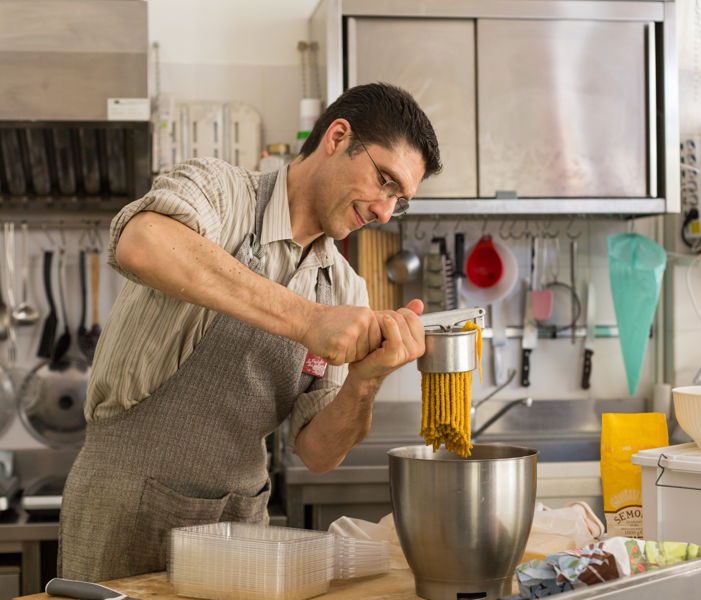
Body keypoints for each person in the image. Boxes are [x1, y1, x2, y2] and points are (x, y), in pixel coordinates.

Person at [58, 82, 442, 581]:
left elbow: (319, 453)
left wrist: (366, 380)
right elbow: (141, 242)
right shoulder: (221, 192)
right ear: (338, 137)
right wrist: (307, 320)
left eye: (399, 200)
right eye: (385, 181)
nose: (385, 211)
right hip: (124, 506)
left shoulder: (346, 287)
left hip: (240, 525)